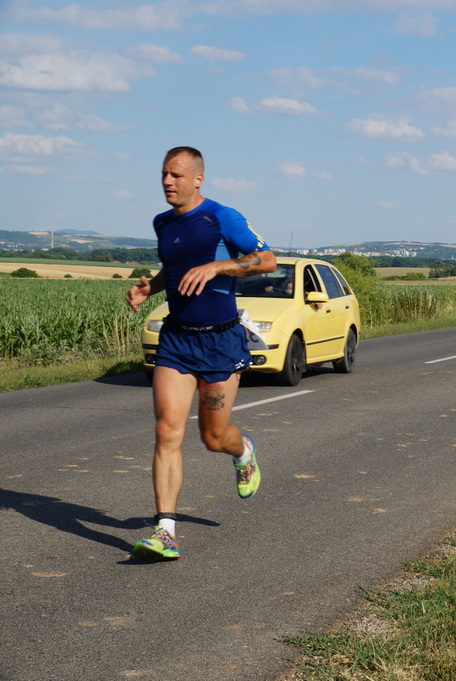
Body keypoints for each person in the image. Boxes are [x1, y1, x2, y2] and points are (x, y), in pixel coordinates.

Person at [125, 146, 277, 561]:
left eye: (175, 175)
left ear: (197, 179)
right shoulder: (162, 223)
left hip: (220, 342)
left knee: (213, 437)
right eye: (163, 175)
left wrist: (218, 267)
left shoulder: (221, 217)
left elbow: (266, 260)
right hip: (177, 340)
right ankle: (166, 531)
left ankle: (243, 450)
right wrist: (149, 288)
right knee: (166, 431)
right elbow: (173, 271)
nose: (167, 182)